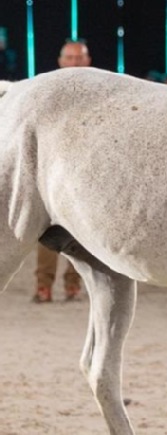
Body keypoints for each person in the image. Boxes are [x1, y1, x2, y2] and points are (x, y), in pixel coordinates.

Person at [32, 40, 90, 303]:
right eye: (70, 58)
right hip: (51, 172)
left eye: (79, 58)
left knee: (84, 234)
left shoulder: (98, 91)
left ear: (87, 61)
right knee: (48, 233)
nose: (75, 63)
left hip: (85, 174)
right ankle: (43, 285)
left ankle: (73, 285)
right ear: (60, 61)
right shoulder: (46, 91)